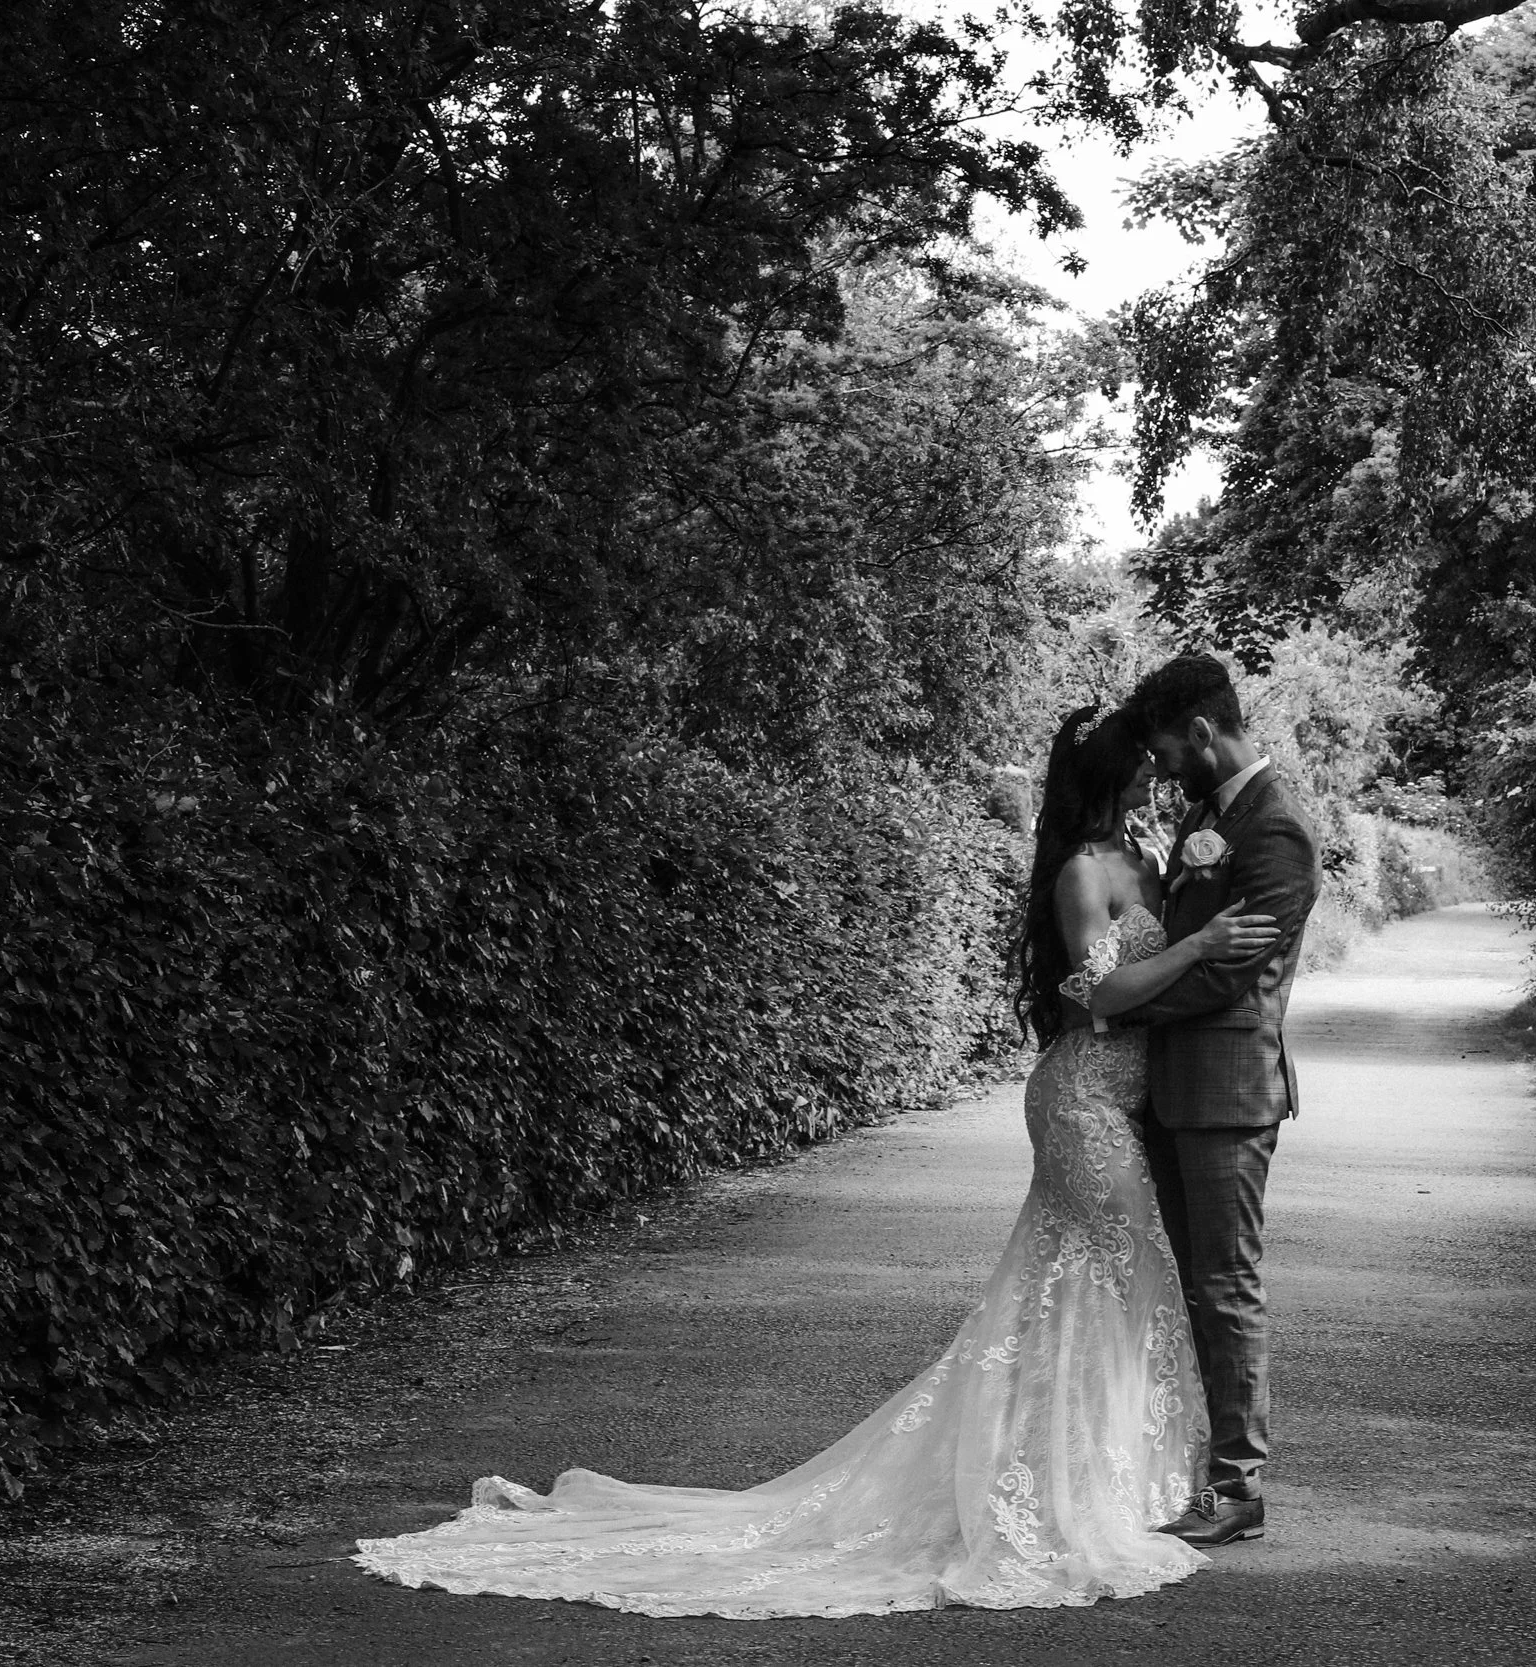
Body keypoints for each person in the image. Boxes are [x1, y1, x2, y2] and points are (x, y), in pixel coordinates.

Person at [350, 705, 1279, 1618]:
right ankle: (1053, 1488)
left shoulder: (1152, 854)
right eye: (1143, 763)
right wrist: (1197, 944)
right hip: (1083, 1101)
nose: (1159, 772)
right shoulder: (1082, 869)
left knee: (1110, 1285)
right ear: (1112, 775)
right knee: (1098, 1279)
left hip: (1126, 1099)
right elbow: (1091, 995)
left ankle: (1099, 1471)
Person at [1117, 652, 1321, 1549]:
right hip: (1172, 1085)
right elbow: (1184, 931)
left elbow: (1234, 971)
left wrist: (1112, 1004)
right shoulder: (1207, 812)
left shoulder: (1276, 829)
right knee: (1193, 1285)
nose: (1160, 770)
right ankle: (1199, 1466)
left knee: (1225, 1284)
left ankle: (1239, 1486)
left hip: (1229, 1088)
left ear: (1203, 732)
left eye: (1166, 751)